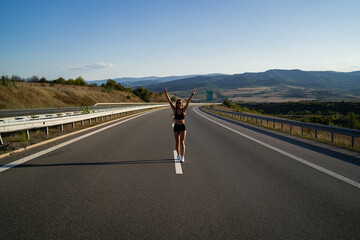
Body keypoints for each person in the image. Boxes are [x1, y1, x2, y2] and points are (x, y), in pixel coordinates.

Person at [164, 87, 196, 163]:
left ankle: (182, 156)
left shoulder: (184, 110)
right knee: (177, 142)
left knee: (182, 142)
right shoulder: (174, 110)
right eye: (177, 103)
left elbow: (188, 102)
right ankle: (178, 155)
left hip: (182, 127)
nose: (179, 104)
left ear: (182, 104)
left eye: (180, 103)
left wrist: (192, 94)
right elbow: (170, 101)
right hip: (176, 127)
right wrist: (166, 93)